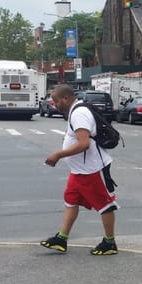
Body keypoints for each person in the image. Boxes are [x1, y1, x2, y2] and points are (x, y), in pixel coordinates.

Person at [40, 84, 119, 256]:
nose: (54, 104)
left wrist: (58, 155)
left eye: (56, 101)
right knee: (70, 200)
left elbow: (84, 144)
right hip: (79, 171)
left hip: (92, 169)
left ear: (66, 98)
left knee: (105, 204)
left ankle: (109, 242)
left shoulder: (79, 114)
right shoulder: (74, 111)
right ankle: (62, 238)